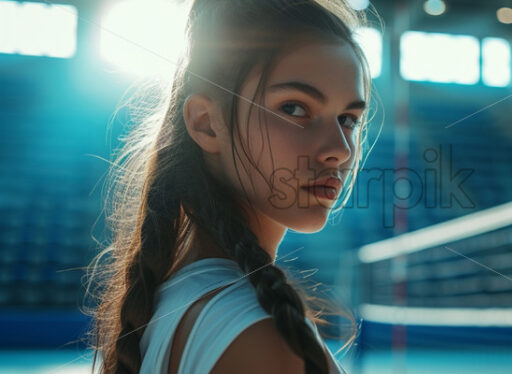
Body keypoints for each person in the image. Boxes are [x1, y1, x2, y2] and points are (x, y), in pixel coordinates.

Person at [84, 0, 378, 372]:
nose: (339, 149)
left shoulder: (170, 299)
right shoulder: (263, 341)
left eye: (348, 119)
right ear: (207, 124)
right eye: (294, 108)